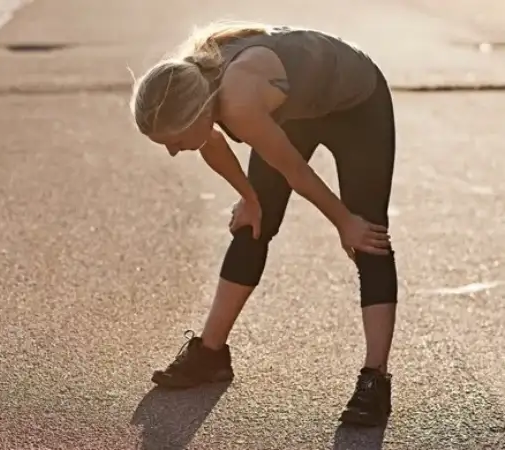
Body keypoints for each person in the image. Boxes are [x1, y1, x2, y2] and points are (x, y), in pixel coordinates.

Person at [128, 21, 398, 427]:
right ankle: (211, 353)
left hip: (356, 104)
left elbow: (297, 173)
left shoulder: (238, 100)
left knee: (367, 234)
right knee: (252, 223)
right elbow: (212, 142)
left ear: (198, 114)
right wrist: (251, 199)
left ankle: (375, 378)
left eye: (173, 140)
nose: (171, 152)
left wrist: (345, 222)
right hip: (294, 106)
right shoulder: (190, 83)